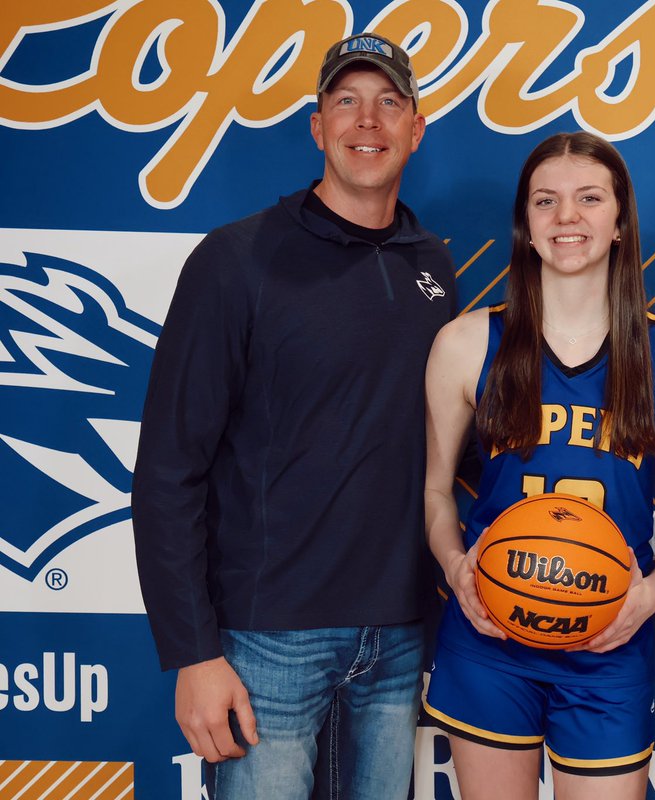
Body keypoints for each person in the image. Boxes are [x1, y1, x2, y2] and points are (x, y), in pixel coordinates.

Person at [131, 32, 455, 799]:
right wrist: (193, 652)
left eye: (388, 102)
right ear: (317, 127)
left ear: (415, 128)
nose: (367, 120)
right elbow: (169, 468)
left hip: (398, 640)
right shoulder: (236, 259)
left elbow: (447, 443)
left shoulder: (432, 268)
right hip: (267, 642)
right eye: (346, 101)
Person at [421, 131, 655, 799]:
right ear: (525, 224)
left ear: (620, 220)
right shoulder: (466, 344)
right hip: (490, 637)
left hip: (609, 641)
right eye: (546, 201)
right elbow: (435, 493)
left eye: (589, 199)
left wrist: (650, 596)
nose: (567, 217)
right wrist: (457, 567)